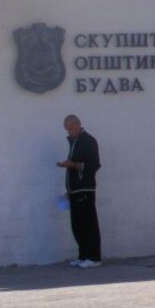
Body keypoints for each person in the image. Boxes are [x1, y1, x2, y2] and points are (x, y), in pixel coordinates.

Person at [57, 114, 102, 268]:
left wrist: (74, 165)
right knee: (77, 225)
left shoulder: (88, 141)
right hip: (74, 191)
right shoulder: (74, 142)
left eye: (70, 128)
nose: (69, 132)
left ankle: (94, 257)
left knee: (88, 224)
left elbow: (94, 165)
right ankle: (83, 256)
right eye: (67, 129)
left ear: (78, 124)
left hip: (85, 190)